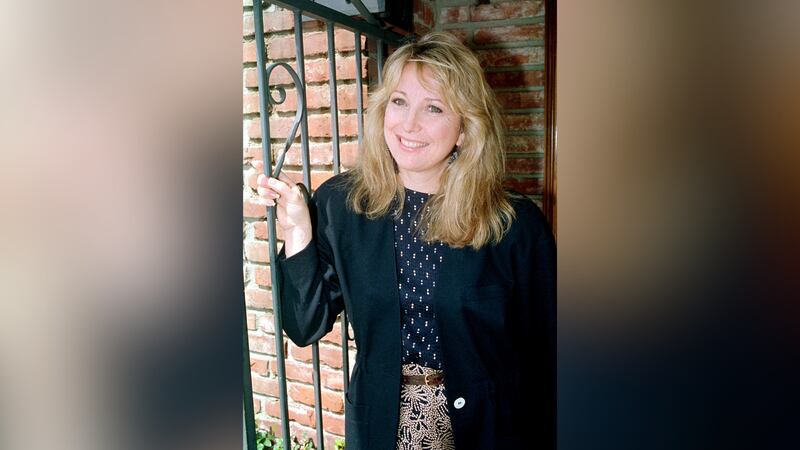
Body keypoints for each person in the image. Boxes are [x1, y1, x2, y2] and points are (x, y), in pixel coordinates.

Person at [254, 32, 555, 450]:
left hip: (489, 429)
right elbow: (305, 326)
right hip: (381, 425)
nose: (409, 124)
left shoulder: (515, 225)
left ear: (465, 129)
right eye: (399, 102)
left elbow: (545, 357)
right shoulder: (343, 204)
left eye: (433, 107)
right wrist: (297, 231)